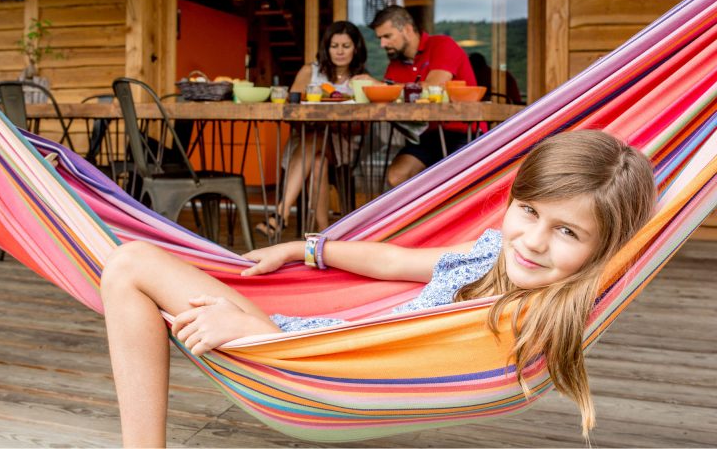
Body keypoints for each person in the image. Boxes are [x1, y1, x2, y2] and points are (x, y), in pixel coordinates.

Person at [100, 130, 657, 446]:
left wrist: (251, 334)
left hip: (307, 366)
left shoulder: (537, 316)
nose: (533, 241)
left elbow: (383, 372)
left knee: (130, 268)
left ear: (605, 250)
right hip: (304, 339)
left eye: (566, 231)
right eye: (528, 210)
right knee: (129, 263)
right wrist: (304, 249)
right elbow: (393, 261)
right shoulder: (492, 254)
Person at [255, 20, 368, 236]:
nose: (340, 52)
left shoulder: (360, 79)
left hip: (340, 145)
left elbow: (363, 128)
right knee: (318, 162)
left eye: (346, 46)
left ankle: (280, 213)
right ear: (326, 48)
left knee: (316, 143)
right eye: (334, 46)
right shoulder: (311, 71)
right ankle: (324, 233)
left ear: (356, 48)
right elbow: (293, 108)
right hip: (306, 141)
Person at [353, 5, 478, 188]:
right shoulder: (395, 66)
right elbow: (389, 99)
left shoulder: (442, 44)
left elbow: (433, 87)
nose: (382, 44)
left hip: (465, 133)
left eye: (387, 36)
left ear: (407, 29)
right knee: (397, 177)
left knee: (455, 185)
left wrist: (383, 87)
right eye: (380, 38)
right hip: (426, 135)